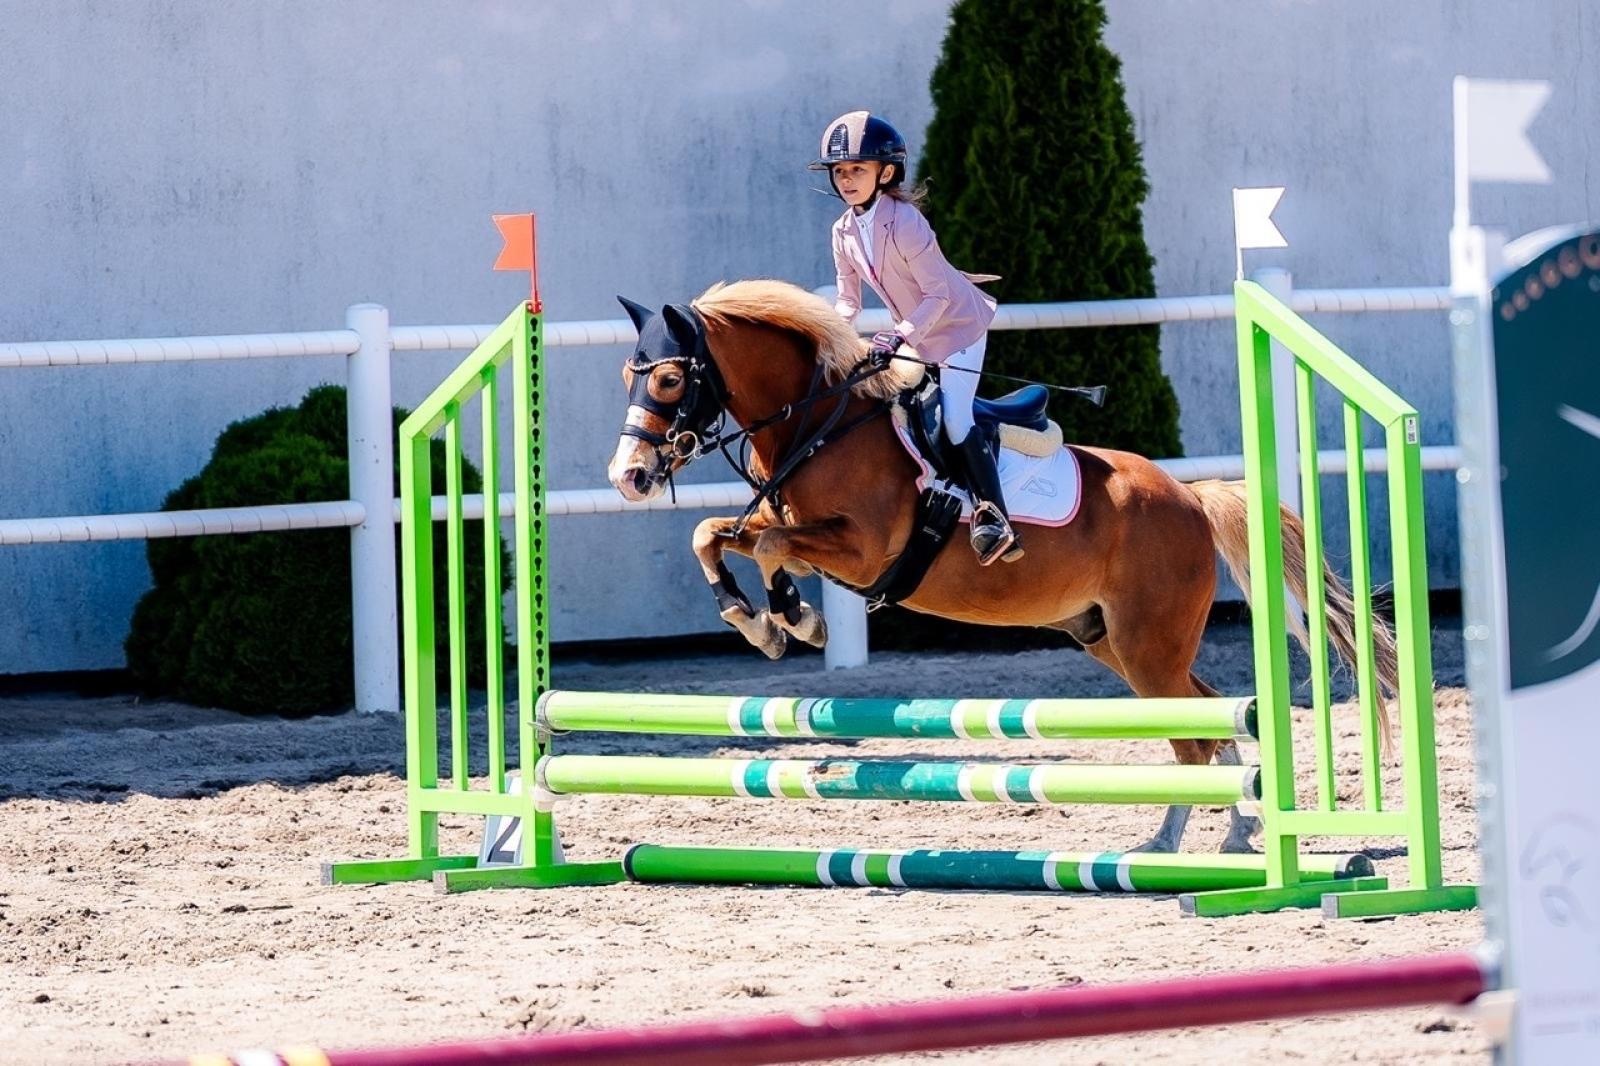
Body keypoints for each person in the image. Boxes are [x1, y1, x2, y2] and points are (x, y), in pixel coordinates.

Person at [811, 110, 1021, 565]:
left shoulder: (904, 221)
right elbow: (848, 302)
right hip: (915, 334)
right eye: (840, 171)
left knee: (954, 419)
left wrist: (898, 335)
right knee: (894, 411)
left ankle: (995, 518)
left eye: (857, 170)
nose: (847, 180)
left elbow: (939, 295)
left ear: (885, 173)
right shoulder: (842, 231)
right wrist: (826, 334)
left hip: (958, 327)